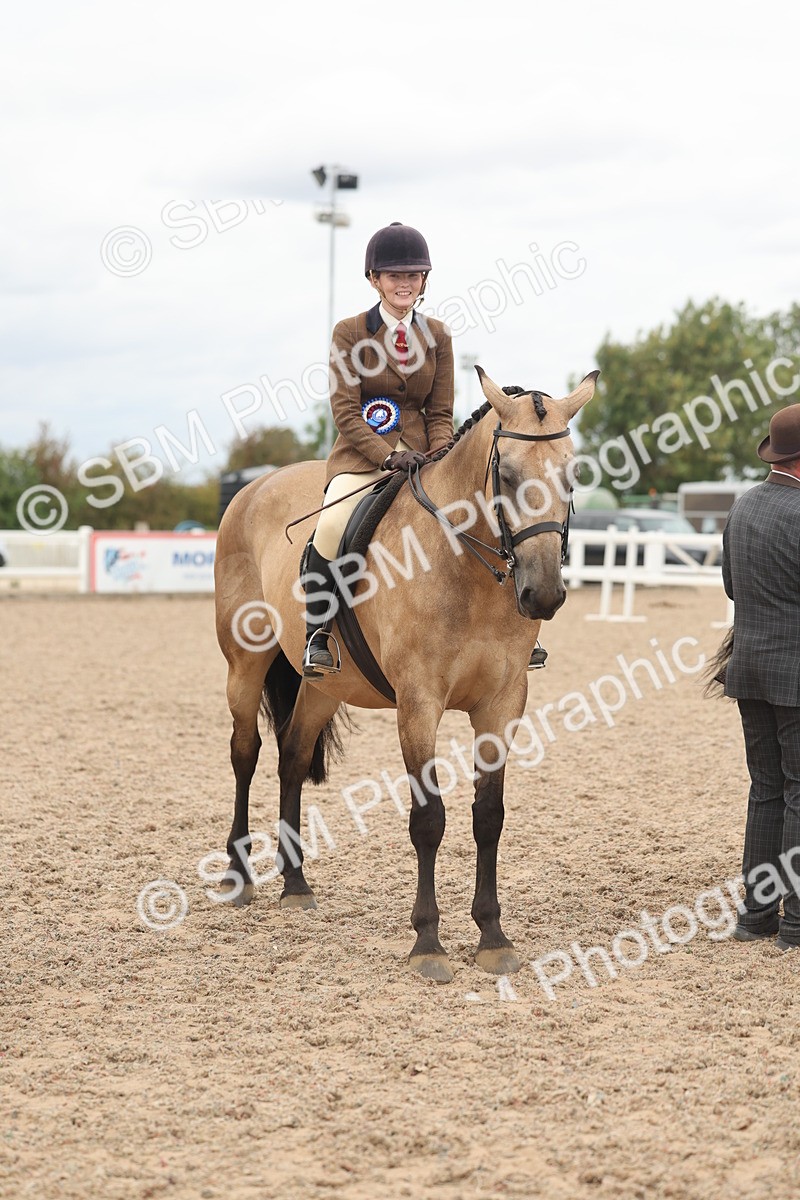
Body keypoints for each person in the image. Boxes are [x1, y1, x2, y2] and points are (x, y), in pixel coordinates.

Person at [302, 222, 455, 677]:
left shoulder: (439, 336)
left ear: (424, 280)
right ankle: (319, 632)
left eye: (413, 274)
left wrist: (441, 453)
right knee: (331, 524)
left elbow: (441, 412)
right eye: (394, 275)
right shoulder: (349, 333)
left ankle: (510, 629)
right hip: (363, 457)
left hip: (427, 459)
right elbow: (346, 412)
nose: (404, 283)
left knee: (481, 515)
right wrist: (387, 456)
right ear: (374, 279)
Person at [722, 403, 800, 951]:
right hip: (795, 674)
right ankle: (796, 922)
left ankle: (756, 914)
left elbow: (731, 585)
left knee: (767, 790)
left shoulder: (744, 506)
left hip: (749, 667)